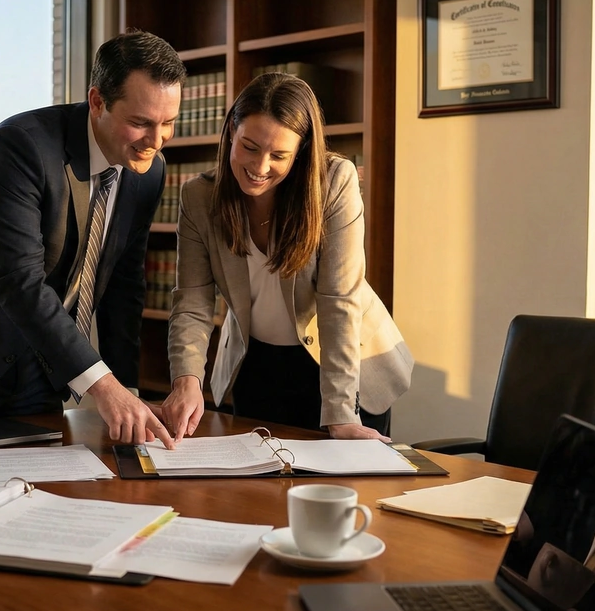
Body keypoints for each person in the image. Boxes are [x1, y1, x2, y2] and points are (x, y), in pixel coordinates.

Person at [0, 30, 185, 449]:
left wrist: (126, 389)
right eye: (141, 123)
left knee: (39, 490)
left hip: (42, 359)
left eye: (168, 123)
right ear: (97, 102)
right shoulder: (20, 147)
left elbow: (123, 286)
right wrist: (103, 387)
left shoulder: (148, 173)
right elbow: (18, 281)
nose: (156, 140)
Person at [161, 72, 413, 442]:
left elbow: (338, 301)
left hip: (339, 366)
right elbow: (193, 301)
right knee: (256, 492)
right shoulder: (199, 197)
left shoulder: (334, 181)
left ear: (302, 151)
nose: (260, 167)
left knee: (343, 492)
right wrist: (186, 380)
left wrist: (341, 413)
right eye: (249, 146)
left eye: (279, 155)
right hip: (256, 365)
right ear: (231, 129)